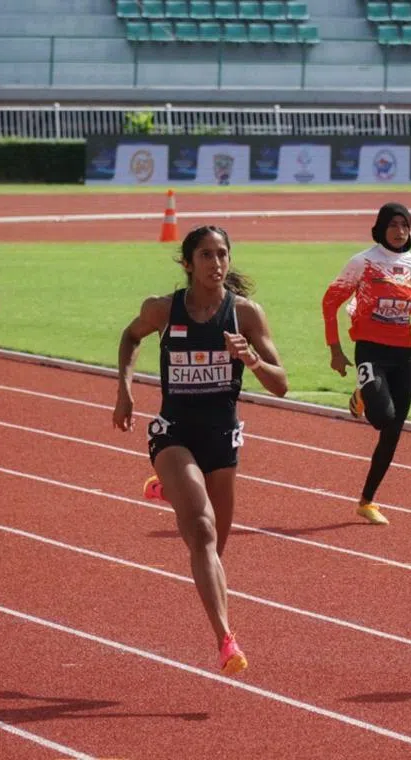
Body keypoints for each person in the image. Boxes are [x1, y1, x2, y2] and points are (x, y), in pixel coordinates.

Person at [112, 225, 287, 676]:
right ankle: (226, 641)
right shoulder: (163, 309)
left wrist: (250, 359)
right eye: (206, 256)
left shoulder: (244, 315)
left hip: (221, 439)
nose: (216, 264)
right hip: (174, 432)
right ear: (188, 263)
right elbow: (131, 337)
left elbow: (281, 384)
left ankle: (171, 488)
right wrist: (126, 390)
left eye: (222, 254)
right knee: (204, 529)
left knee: (211, 550)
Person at [321, 202, 411, 526]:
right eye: (392, 225)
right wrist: (335, 349)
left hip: (404, 355)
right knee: (382, 417)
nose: (399, 230)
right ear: (380, 228)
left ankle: (367, 501)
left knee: (393, 432)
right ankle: (363, 395)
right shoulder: (363, 262)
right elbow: (329, 303)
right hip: (371, 350)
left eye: (404, 225)